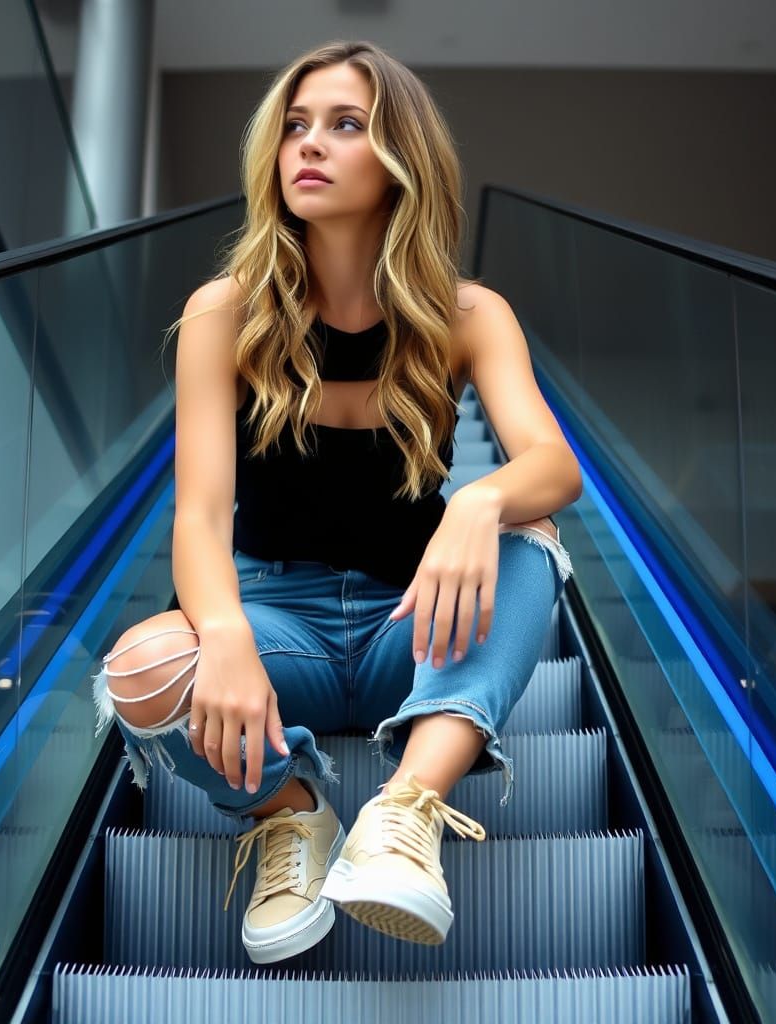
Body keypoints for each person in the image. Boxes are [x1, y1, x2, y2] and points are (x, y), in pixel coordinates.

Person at [92, 40, 581, 965]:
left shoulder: (468, 315)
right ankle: (293, 813)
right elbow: (199, 516)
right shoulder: (224, 312)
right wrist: (225, 634)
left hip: (418, 626)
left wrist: (477, 504)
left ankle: (406, 812)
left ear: (400, 160)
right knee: (141, 669)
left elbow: (554, 464)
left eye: (345, 125)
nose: (308, 145)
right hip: (279, 629)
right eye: (295, 126)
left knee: (532, 534)